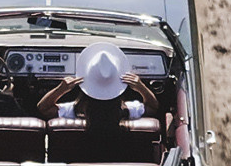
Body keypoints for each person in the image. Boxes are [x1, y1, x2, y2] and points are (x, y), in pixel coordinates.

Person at [35, 45, 164, 129]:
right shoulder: (128, 111)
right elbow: (153, 107)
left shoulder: (74, 111)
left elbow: (43, 108)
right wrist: (141, 87)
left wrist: (61, 89)